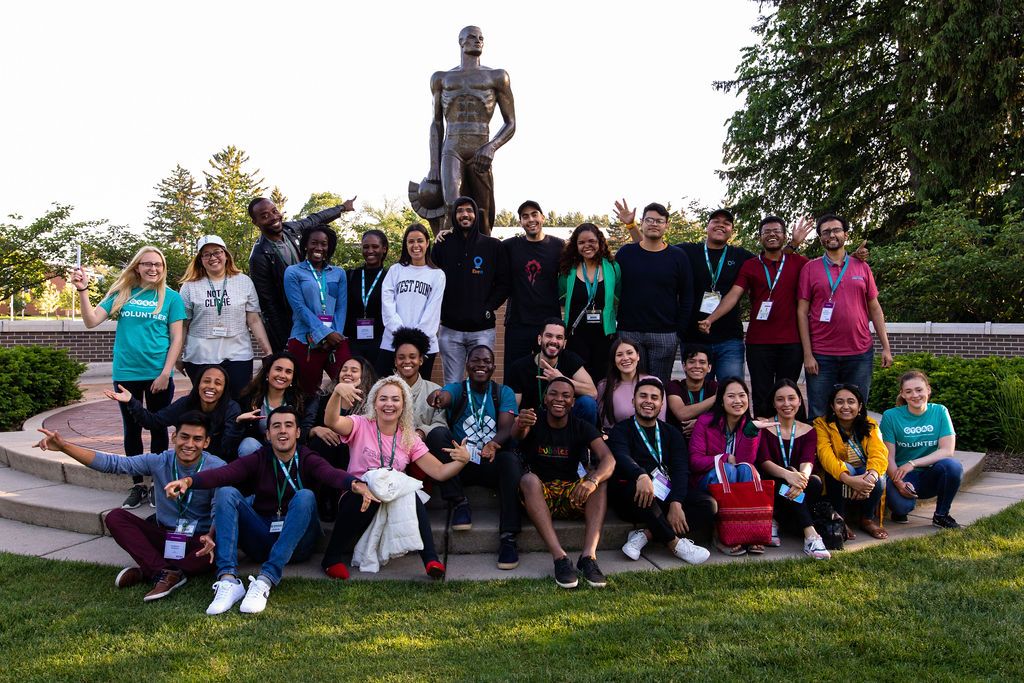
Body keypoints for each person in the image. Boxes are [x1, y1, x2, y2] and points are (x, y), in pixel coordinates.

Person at [165, 406, 374, 615]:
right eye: (276, 426)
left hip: (298, 543)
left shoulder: (307, 457)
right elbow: (225, 473)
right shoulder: (259, 457)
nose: (282, 431)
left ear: (298, 432)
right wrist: (189, 480)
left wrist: (355, 484)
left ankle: (265, 580)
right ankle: (228, 581)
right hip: (261, 537)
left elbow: (330, 474)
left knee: (305, 496)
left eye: (288, 425)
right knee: (226, 492)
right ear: (267, 434)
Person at [35, 412, 224, 602]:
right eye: (184, 437)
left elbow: (220, 510)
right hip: (165, 535)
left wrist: (211, 535)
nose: (190, 444)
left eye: (197, 439)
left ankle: (149, 570)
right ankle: (164, 572)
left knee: (209, 557)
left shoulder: (217, 468)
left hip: (199, 540)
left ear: (206, 442)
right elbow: (114, 464)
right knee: (116, 517)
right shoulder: (160, 461)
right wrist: (64, 447)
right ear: (174, 437)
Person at [320, 376, 472, 580]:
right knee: (368, 490)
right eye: (383, 399)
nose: (389, 404)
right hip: (358, 498)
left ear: (404, 405)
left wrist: (462, 461)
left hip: (393, 503)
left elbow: (439, 472)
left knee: (411, 494)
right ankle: (331, 559)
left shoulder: (409, 437)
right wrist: (338, 392)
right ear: (375, 402)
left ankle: (431, 560)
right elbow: (331, 421)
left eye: (395, 399)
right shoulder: (360, 424)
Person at [73, 246, 186, 510]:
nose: (153, 269)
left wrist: (166, 372)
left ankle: (158, 484)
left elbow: (177, 338)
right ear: (137, 267)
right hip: (127, 373)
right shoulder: (121, 294)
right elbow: (91, 321)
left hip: (158, 374)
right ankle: (138, 484)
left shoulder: (171, 298)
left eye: (158, 264)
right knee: (132, 429)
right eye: (147, 264)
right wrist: (82, 290)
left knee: (158, 427)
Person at [698, 216, 814, 416]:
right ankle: (761, 442)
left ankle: (788, 440)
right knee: (761, 395)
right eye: (766, 232)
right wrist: (711, 318)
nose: (772, 235)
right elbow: (734, 295)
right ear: (760, 237)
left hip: (792, 342)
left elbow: (823, 273)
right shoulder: (750, 265)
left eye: (777, 231)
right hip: (759, 342)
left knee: (787, 393)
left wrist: (853, 257)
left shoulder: (800, 263)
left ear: (784, 236)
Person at [425, 345, 522, 568]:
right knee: (437, 434)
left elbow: (507, 428)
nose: (481, 365)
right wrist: (438, 396)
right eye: (475, 361)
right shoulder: (458, 388)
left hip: (489, 460)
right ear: (467, 365)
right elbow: (445, 396)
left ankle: (508, 537)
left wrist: (493, 444)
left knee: (509, 460)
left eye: (486, 361)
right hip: (460, 463)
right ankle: (459, 502)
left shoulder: (502, 392)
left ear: (493, 367)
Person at [514, 377, 616, 588]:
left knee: (601, 483)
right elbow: (518, 435)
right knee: (528, 480)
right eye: (553, 393)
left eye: (566, 395)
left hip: (571, 493)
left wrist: (592, 480)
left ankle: (588, 557)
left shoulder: (582, 427)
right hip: (541, 494)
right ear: (545, 398)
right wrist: (520, 424)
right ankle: (560, 558)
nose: (559, 399)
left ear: (573, 402)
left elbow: (609, 459)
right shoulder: (534, 420)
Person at [607, 378, 712, 565]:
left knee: (708, 505)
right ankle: (675, 544)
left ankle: (646, 535)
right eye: (643, 396)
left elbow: (681, 469)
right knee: (638, 488)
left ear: (661, 405)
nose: (648, 401)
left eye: (654, 397)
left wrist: (676, 502)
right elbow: (622, 457)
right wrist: (640, 475)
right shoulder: (621, 430)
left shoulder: (672, 433)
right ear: (633, 401)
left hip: (664, 496)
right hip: (632, 499)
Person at [797, 214, 893, 418]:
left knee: (856, 411)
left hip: (859, 354)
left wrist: (886, 347)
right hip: (822, 354)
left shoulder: (861, 266)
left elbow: (875, 308)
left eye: (836, 230)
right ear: (820, 238)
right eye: (825, 232)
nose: (831, 235)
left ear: (845, 234)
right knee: (819, 412)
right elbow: (802, 312)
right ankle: (821, 451)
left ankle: (853, 451)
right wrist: (807, 354)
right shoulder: (810, 268)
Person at [427, 25, 516, 235]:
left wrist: (492, 147)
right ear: (461, 42)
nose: (478, 41)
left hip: (481, 145)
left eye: (481, 38)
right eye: (472, 37)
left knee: (482, 211)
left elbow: (511, 123)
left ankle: (486, 256)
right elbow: (436, 124)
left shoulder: (497, 76)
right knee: (452, 205)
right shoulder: (442, 78)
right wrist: (433, 165)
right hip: (452, 146)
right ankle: (449, 254)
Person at [248, 195, 356, 352]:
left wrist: (342, 208)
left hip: (312, 311)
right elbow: (268, 304)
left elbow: (316, 219)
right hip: (289, 319)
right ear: (255, 222)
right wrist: (285, 340)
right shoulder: (259, 256)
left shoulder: (291, 230)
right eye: (264, 216)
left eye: (274, 211)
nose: (273, 217)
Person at [178, 235, 272, 401]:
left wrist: (268, 352)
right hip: (200, 354)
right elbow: (183, 324)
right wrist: (178, 356)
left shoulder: (244, 281)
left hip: (237, 353)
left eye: (217, 252)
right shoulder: (189, 287)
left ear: (226, 255)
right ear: (200, 260)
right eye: (206, 254)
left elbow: (254, 320)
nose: (213, 257)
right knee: (207, 403)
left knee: (240, 399)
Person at [612, 201, 693, 385]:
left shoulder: (678, 256)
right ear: (641, 222)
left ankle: (659, 416)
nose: (654, 224)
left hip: (665, 334)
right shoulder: (626, 253)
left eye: (659, 221)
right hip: (629, 332)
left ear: (667, 225)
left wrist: (678, 332)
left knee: (658, 386)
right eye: (649, 220)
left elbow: (687, 296)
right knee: (630, 384)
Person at [432, 196, 508, 384]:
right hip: (450, 330)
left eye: (469, 210)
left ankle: (480, 414)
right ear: (454, 215)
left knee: (480, 381)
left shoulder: (492, 246)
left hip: (482, 330)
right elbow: (432, 277)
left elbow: (504, 283)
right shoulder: (443, 244)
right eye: (459, 211)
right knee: (452, 383)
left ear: (476, 215)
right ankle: (454, 415)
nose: (465, 214)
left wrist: (488, 308)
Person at [755, 380, 831, 559]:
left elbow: (807, 461)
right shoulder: (764, 427)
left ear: (799, 401)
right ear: (773, 403)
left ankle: (775, 521)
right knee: (782, 484)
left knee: (814, 482)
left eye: (791, 398)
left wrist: (802, 479)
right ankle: (810, 535)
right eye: (780, 399)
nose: (786, 404)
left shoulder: (809, 431)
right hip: (771, 485)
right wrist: (789, 475)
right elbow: (764, 461)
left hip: (794, 489)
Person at [105, 364, 243, 460]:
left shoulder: (231, 409)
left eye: (218, 383)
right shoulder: (186, 403)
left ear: (224, 388)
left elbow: (228, 450)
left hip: (217, 466)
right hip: (188, 462)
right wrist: (132, 401)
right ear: (198, 384)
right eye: (206, 381)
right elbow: (153, 422)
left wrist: (237, 424)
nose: (211, 386)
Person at [688, 378, 763, 555]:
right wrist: (723, 458)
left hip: (736, 484)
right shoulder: (705, 422)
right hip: (706, 481)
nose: (737, 401)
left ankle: (748, 532)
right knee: (729, 470)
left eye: (742, 395)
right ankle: (722, 533)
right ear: (721, 400)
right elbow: (695, 461)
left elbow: (746, 461)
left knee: (745, 469)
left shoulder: (750, 425)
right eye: (731, 396)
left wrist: (751, 434)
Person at [881, 371, 962, 529]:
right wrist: (898, 483)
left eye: (919, 390)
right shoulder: (890, 416)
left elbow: (947, 450)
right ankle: (899, 509)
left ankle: (941, 515)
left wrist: (913, 463)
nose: (915, 395)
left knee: (953, 466)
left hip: (931, 474)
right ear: (902, 394)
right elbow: (888, 457)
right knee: (902, 507)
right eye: (909, 391)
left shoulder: (940, 411)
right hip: (902, 475)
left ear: (928, 390)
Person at [813, 383, 889, 540]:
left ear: (860, 406)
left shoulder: (870, 424)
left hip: (863, 475)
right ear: (832, 406)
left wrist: (870, 478)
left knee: (879, 477)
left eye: (851, 401)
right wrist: (849, 479)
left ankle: (867, 519)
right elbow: (825, 456)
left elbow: (879, 453)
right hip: (840, 475)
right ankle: (841, 518)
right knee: (841, 467)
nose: (845, 406)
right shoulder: (821, 424)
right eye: (840, 402)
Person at [283, 224, 350, 397]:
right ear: (305, 244)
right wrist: (324, 333)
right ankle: (308, 424)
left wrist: (334, 334)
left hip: (335, 339)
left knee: (349, 384)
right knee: (306, 393)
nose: (318, 248)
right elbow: (299, 307)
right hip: (304, 339)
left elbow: (341, 307)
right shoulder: (293, 272)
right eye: (314, 242)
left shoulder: (339, 273)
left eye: (324, 244)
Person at [501, 201, 565, 376]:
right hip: (518, 322)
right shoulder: (509, 246)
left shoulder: (559, 246)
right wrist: (449, 231)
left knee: (548, 372)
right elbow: (482, 244)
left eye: (534, 214)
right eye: (525, 216)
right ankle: (513, 405)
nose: (530, 219)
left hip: (548, 324)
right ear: (520, 221)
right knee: (514, 373)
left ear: (542, 218)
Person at [379, 224, 446, 379]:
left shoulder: (437, 275)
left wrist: (415, 341)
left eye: (420, 241)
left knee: (417, 393)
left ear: (427, 243)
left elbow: (432, 312)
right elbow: (388, 306)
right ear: (406, 245)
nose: (416, 245)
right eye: (411, 241)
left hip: (424, 345)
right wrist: (402, 336)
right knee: (387, 390)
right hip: (392, 342)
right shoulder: (395, 270)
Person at [505, 318, 599, 425]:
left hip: (564, 425)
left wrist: (561, 379)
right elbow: (512, 410)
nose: (554, 341)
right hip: (533, 424)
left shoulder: (570, 359)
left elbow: (593, 392)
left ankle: (584, 440)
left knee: (587, 403)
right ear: (540, 339)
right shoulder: (520, 367)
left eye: (559, 337)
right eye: (549, 336)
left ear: (564, 343)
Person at [558, 223, 620, 381]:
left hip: (605, 337)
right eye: (581, 242)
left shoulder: (613, 268)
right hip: (576, 337)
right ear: (575, 245)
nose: (587, 246)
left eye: (591, 241)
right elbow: (560, 298)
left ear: (599, 242)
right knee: (579, 383)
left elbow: (618, 298)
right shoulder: (568, 270)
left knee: (603, 382)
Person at [235, 352, 316, 457]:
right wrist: (239, 422)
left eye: (288, 372)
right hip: (260, 452)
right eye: (278, 369)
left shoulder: (300, 402)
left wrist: (313, 430)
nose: (282, 375)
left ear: (292, 378)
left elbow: (303, 433)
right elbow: (234, 439)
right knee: (248, 445)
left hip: (288, 451)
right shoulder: (249, 398)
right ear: (268, 373)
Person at [388, 327, 448, 442]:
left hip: (424, 449)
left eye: (412, 357)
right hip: (389, 447)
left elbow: (440, 424)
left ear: (420, 360)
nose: (407, 361)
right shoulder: (382, 389)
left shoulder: (435, 390)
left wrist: (421, 432)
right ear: (395, 361)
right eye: (401, 357)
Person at [596, 338, 665, 430]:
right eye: (619, 355)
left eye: (629, 353)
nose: (625, 358)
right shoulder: (604, 386)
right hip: (619, 438)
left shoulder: (653, 382)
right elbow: (606, 424)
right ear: (614, 360)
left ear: (638, 356)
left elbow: (661, 420)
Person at [343, 230, 389, 361]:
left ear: (384, 249)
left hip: (380, 343)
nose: (370, 251)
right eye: (366, 247)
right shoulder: (351, 275)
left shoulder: (390, 278)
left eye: (375, 247)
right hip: (353, 343)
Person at [666, 345, 718, 436]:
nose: (697, 366)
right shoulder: (674, 386)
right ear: (684, 366)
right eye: (691, 362)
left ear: (709, 367)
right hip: (678, 440)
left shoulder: (714, 387)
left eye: (702, 362)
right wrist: (717, 398)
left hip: (707, 441)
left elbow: (725, 418)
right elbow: (682, 414)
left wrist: (700, 423)